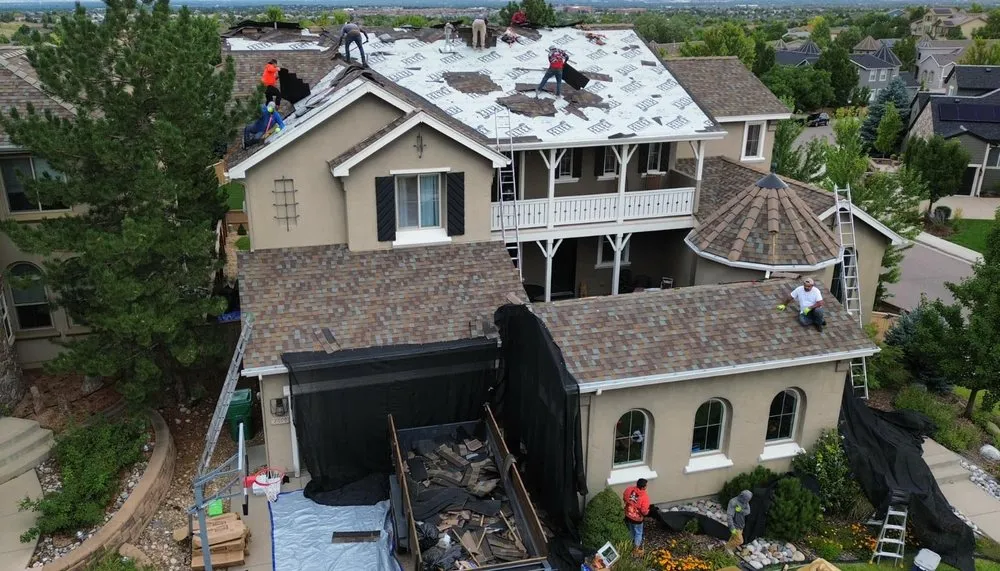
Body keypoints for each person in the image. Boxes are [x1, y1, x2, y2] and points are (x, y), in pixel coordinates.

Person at [622, 478, 650, 552]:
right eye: (646, 485)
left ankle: (629, 544)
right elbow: (644, 511)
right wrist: (647, 512)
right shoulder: (644, 496)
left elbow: (624, 497)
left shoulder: (629, 489)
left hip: (628, 514)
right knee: (638, 532)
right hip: (637, 519)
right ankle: (636, 549)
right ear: (643, 487)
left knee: (631, 530)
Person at [725, 490, 753, 555]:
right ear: (741, 496)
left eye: (748, 500)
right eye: (746, 500)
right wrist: (732, 527)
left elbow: (748, 512)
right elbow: (729, 516)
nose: (747, 502)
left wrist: (741, 510)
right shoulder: (733, 502)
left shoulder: (745, 501)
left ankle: (727, 550)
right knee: (740, 541)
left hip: (741, 524)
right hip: (735, 525)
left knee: (733, 538)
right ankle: (727, 547)